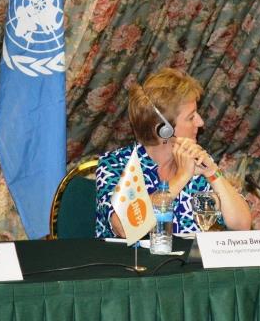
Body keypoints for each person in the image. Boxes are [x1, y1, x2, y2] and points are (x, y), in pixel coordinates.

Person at [95, 67, 251, 237]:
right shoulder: (116, 165)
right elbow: (125, 227)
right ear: (164, 130)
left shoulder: (196, 161)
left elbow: (241, 226)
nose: (200, 122)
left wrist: (213, 173)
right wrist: (181, 177)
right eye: (191, 117)